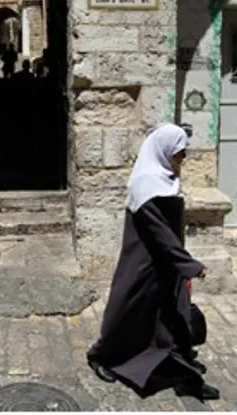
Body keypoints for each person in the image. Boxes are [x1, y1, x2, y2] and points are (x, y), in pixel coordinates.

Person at [86, 124, 220, 400]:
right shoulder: (146, 182)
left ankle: (185, 375)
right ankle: (101, 357)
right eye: (179, 152)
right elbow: (159, 232)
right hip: (143, 264)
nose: (183, 158)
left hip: (166, 263)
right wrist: (189, 265)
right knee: (127, 311)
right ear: (163, 149)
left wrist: (180, 264)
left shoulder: (165, 177)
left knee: (174, 317)